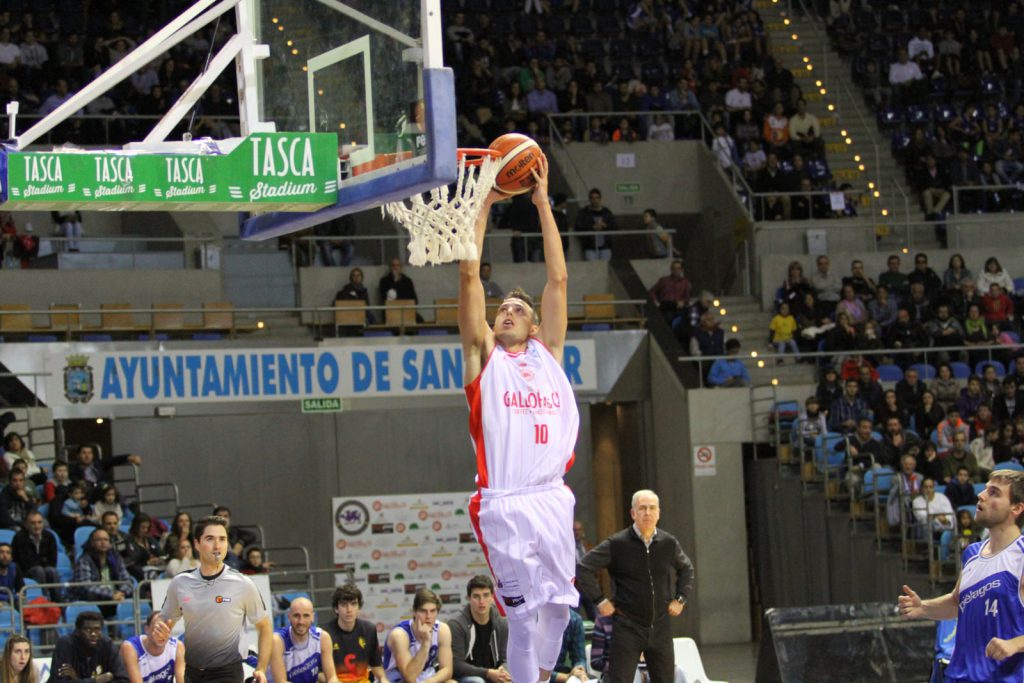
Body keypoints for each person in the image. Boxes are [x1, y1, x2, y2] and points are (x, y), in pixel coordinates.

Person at [459, 155, 580, 683]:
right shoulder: (485, 357)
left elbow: (558, 278)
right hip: (504, 503)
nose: (506, 311)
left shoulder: (547, 354)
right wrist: (484, 205)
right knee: (525, 617)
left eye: (517, 308)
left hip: (553, 496)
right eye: (501, 307)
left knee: (557, 611)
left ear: (533, 326)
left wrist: (542, 203)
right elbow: (468, 275)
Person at [900, 470, 1024, 682]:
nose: (981, 495)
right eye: (985, 489)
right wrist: (923, 607)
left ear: (1017, 508)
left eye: (994, 493)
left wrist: (1016, 643)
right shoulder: (972, 554)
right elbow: (957, 602)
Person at [577, 490, 694, 682]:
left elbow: (687, 569)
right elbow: (583, 568)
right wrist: (600, 600)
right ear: (633, 513)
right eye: (642, 508)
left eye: (652, 508)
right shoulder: (617, 544)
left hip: (660, 627)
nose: (647, 513)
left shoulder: (668, 542)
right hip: (627, 627)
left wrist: (680, 598)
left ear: (658, 513)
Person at [155, 515, 273, 683]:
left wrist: (261, 668)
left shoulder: (243, 584)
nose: (217, 546)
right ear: (196, 544)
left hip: (227, 673)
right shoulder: (180, 583)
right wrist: (160, 633)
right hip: (192, 673)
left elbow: (265, 626)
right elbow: (164, 622)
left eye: (222, 539)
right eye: (210, 539)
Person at [382, 589, 453, 683]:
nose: (428, 616)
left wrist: (432, 680)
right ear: (414, 612)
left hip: (425, 678)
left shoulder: (442, 630)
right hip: (397, 679)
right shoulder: (400, 635)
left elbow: (447, 670)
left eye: (432, 611)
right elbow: (410, 678)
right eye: (423, 611)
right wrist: (426, 643)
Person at [448, 575, 510, 683]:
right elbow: (456, 665)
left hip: (495, 675)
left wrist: (503, 671)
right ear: (469, 599)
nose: (481, 601)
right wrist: (488, 673)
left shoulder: (502, 622)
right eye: (476, 596)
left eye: (486, 595)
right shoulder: (457, 624)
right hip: (467, 677)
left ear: (492, 597)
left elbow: (505, 658)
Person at [321, 584, 384, 683]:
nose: (349, 610)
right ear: (336, 608)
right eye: (344, 605)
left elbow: (376, 666)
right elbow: (319, 673)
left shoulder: (369, 630)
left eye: (353, 604)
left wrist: (383, 679)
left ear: (359, 607)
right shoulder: (324, 634)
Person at [268, 597, 336, 683]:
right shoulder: (277, 641)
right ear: (289, 617)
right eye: (296, 616)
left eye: (306, 615)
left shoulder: (323, 638)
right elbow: (281, 681)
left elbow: (332, 677)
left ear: (313, 617)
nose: (301, 621)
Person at [51, 611, 128, 683]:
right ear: (77, 632)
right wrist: (96, 680)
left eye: (97, 629)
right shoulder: (66, 644)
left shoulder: (107, 644)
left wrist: (77, 680)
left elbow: (123, 679)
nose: (93, 634)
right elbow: (60, 681)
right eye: (87, 629)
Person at [72, 528, 133, 617]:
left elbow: (127, 579)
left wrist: (122, 592)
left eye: (105, 540)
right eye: (99, 540)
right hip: (95, 600)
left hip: (115, 598)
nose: (103, 542)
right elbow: (85, 586)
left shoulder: (115, 558)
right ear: (92, 543)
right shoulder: (84, 560)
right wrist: (111, 595)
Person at [120, 611, 185, 683]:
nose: (161, 634)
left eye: (166, 629)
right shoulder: (130, 648)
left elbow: (181, 680)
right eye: (157, 629)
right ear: (146, 629)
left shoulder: (177, 646)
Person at [11, 511, 59, 591]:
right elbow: (24, 563)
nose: (37, 526)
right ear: (26, 525)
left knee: (52, 571)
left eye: (39, 522)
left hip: (44, 570)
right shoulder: (19, 538)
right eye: (33, 523)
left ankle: (58, 601)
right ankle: (43, 599)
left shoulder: (49, 537)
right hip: (25, 572)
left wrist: (40, 563)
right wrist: (43, 561)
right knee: (38, 570)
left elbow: (53, 561)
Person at [574, 188, 616, 261]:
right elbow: (578, 227)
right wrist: (592, 227)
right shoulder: (583, 213)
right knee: (593, 267)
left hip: (605, 246)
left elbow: (615, 226)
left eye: (597, 198)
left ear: (600, 199)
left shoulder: (607, 213)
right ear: (589, 199)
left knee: (605, 267)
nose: (595, 200)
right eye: (592, 198)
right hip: (590, 246)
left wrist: (605, 226)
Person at [548, 610, 587, 683]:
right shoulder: (532, 616)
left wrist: (580, 670)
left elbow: (579, 658)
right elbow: (529, 668)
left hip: (560, 671)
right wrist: (565, 677)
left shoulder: (574, 619)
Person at [648, 260, 691, 325]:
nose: (676, 270)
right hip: (666, 306)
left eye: (678, 268)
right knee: (668, 317)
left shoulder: (685, 282)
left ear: (682, 270)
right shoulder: (664, 280)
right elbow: (652, 291)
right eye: (674, 268)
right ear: (671, 269)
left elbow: (687, 296)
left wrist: (683, 301)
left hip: (678, 306)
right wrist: (656, 302)